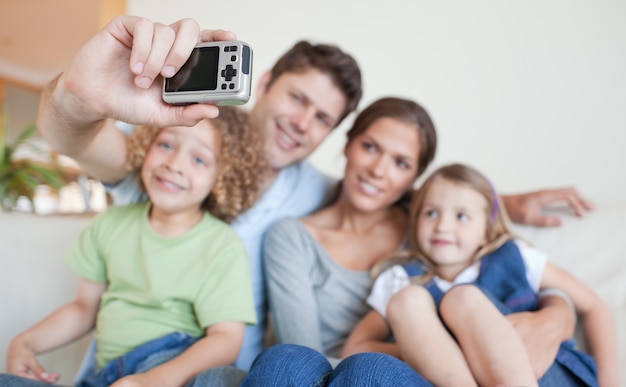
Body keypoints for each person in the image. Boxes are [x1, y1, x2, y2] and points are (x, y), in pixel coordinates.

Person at [36, 14, 592, 376]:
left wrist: (503, 204)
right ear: (268, 78)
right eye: (298, 98)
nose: (303, 123)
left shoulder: (320, 192)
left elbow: (406, 193)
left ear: (333, 136)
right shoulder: (182, 152)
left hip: (229, 370)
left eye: (322, 118)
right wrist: (77, 97)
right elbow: (76, 139)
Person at [243, 97, 584, 386]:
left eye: (401, 163)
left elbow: (467, 210)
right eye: (370, 147)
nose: (378, 170)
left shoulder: (428, 231)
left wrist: (557, 315)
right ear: (348, 143)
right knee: (283, 360)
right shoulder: (294, 237)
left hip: (399, 372)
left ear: (413, 179)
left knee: (366, 370)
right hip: (331, 366)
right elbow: (308, 355)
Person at [2, 107, 267, 386]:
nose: (174, 164)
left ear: (221, 179)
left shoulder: (222, 245)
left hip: (172, 368)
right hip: (105, 376)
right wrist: (24, 343)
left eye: (199, 159)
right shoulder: (110, 224)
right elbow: (83, 308)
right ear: (146, 145)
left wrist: (151, 380)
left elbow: (225, 339)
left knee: (220, 379)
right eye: (166, 144)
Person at [343, 163, 620, 386]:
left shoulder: (515, 256)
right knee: (406, 302)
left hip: (542, 373)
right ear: (415, 221)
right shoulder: (401, 279)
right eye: (430, 213)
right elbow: (354, 348)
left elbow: (594, 306)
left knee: (461, 299)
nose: (442, 226)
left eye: (461, 216)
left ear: (487, 231)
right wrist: (427, 347)